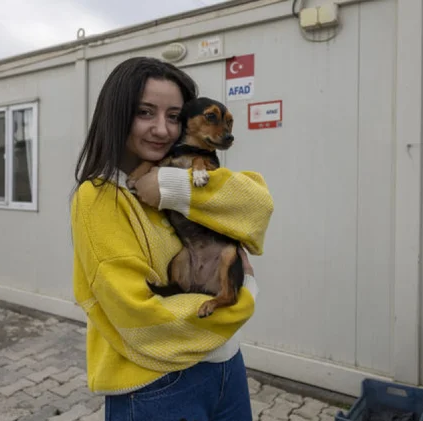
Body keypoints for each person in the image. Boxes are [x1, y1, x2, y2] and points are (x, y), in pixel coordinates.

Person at [70, 56, 274, 420]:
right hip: (156, 385)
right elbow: (138, 316)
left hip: (227, 367)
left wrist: (171, 185)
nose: (162, 129)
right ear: (116, 115)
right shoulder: (100, 198)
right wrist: (244, 299)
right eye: (145, 112)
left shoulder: (185, 174)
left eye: (174, 116)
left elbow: (258, 207)